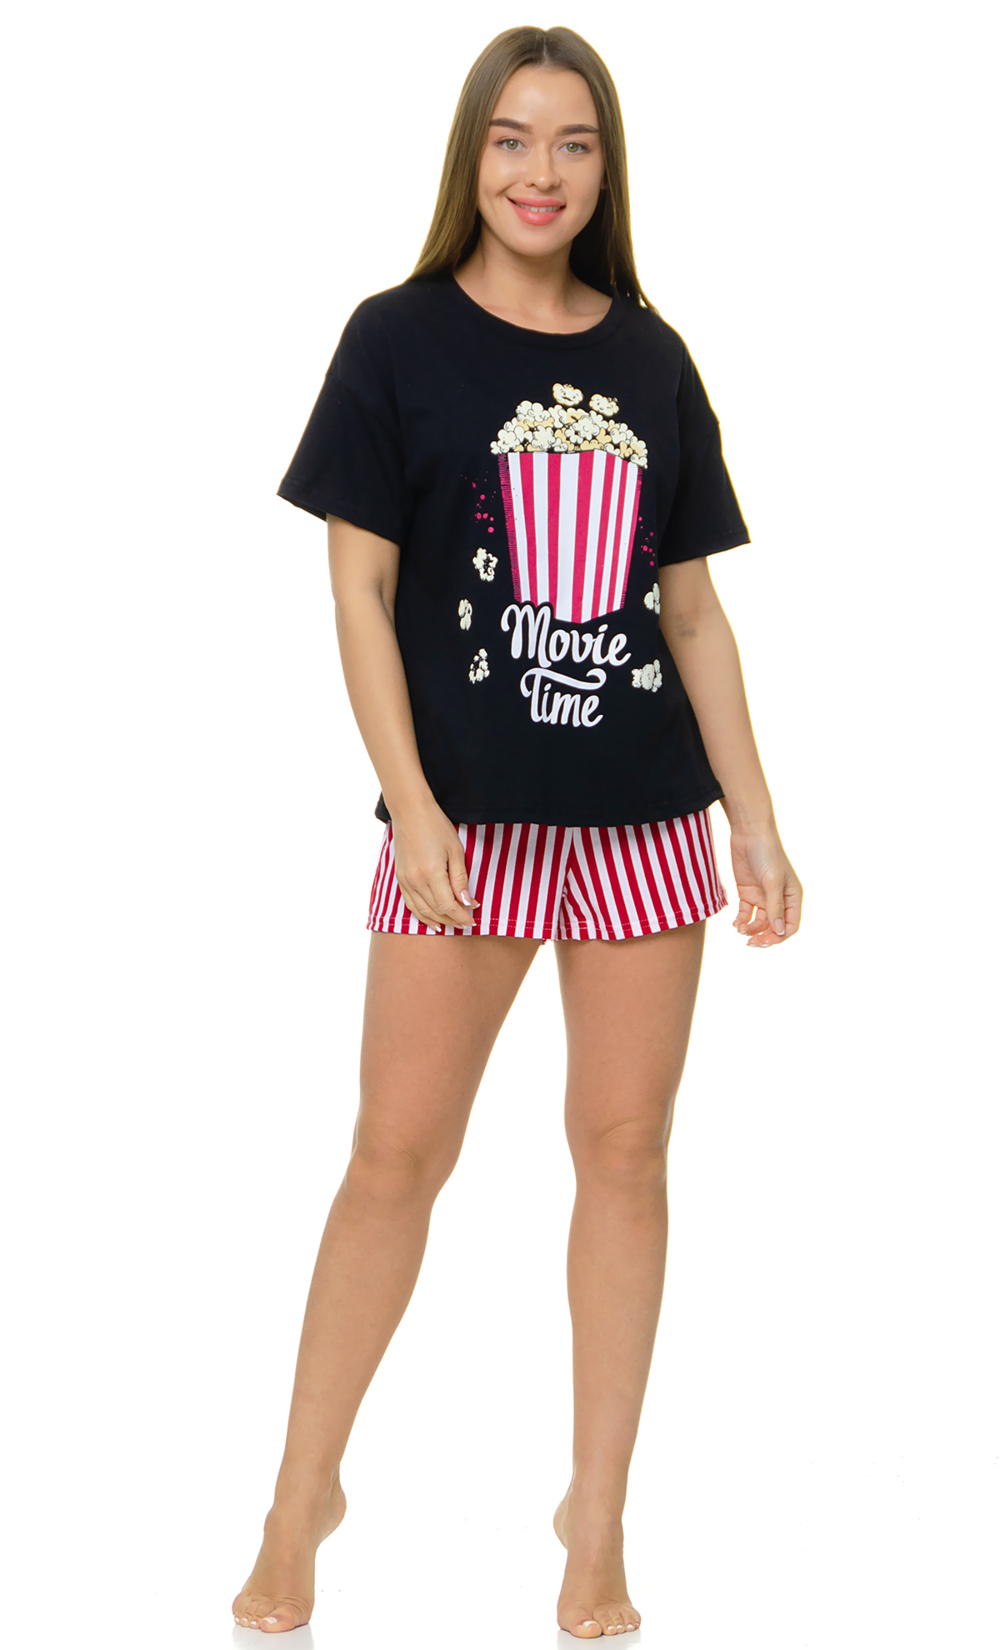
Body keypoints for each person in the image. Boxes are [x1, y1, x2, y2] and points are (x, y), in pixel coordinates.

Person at [232, 23, 803, 1638]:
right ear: (469, 157)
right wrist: (411, 802)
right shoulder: (395, 339)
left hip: (643, 824)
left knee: (624, 1152)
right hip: (463, 829)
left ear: (606, 169)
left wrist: (757, 822)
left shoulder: (653, 359)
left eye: (572, 143)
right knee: (393, 1159)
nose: (540, 172)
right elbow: (357, 589)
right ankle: (298, 1497)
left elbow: (691, 613)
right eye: (511, 139)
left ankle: (595, 1518)